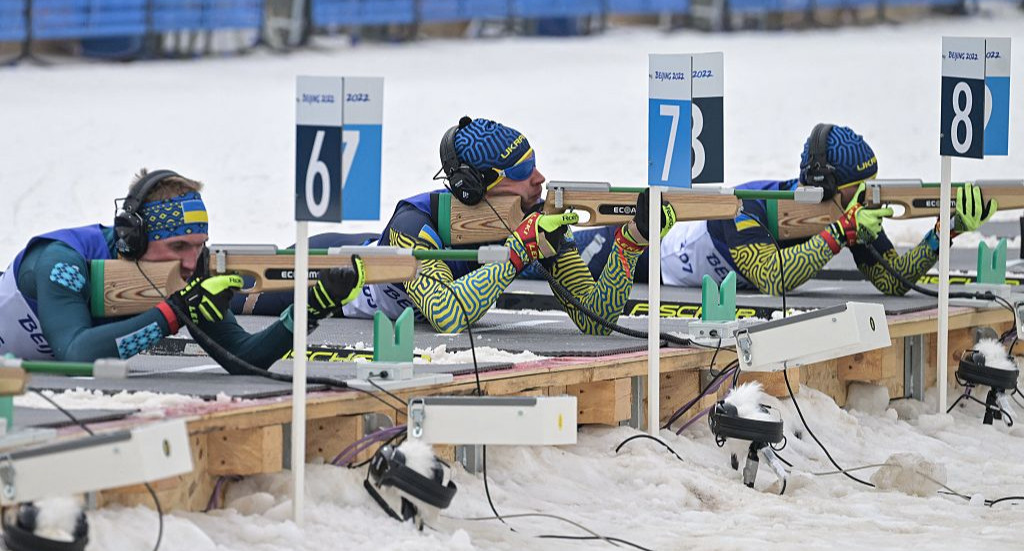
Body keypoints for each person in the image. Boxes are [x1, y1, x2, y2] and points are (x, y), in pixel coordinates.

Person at [243, 116, 676, 334]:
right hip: (326, 276)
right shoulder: (413, 224)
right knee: (229, 295)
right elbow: (447, 315)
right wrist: (517, 253)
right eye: (525, 173)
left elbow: (597, 320)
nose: (540, 181)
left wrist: (631, 242)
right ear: (477, 187)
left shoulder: (533, 218)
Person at [0, 169, 364, 370]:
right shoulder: (61, 262)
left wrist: (310, 310)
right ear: (134, 238)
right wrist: (175, 313)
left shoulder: (186, 274)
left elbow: (244, 359)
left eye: (199, 245)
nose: (192, 263)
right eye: (177, 247)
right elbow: (75, 356)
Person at [574, 123, 997, 296]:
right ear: (825, 188)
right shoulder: (744, 208)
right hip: (625, 246)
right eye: (857, 190)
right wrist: (840, 235)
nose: (866, 199)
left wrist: (946, 232)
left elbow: (893, 282)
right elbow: (773, 277)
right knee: (548, 260)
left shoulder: (846, 216)